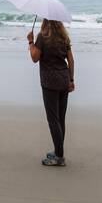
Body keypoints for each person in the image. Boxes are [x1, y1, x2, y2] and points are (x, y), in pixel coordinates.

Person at [27, 19, 75, 166]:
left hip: (49, 82)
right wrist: (71, 80)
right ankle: (58, 151)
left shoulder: (43, 36)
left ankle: (59, 157)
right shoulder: (64, 37)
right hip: (64, 79)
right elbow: (71, 60)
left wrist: (30, 42)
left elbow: (35, 58)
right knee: (60, 118)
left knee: (53, 119)